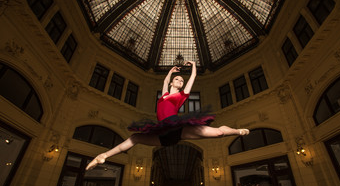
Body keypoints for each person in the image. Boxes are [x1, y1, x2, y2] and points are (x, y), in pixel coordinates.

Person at [86, 61, 249, 170]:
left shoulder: (181, 95)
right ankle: (103, 156)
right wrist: (170, 71)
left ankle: (236, 131)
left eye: (181, 81)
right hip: (163, 136)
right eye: (177, 79)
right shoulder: (164, 95)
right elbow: (164, 83)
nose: (180, 81)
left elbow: (192, 77)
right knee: (135, 138)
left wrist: (193, 65)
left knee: (218, 133)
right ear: (172, 82)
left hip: (176, 128)